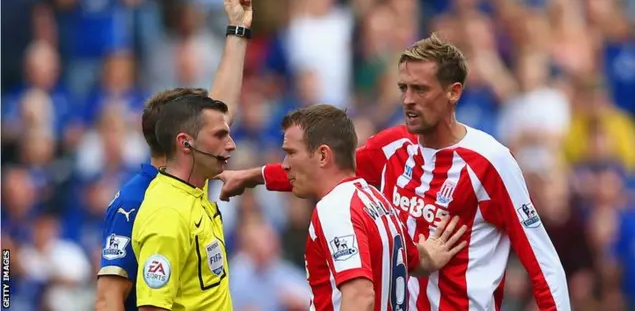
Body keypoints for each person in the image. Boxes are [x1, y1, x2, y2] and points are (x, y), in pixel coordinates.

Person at [217, 34, 571, 310]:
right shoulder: (393, 147)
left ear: (453, 92)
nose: (407, 100)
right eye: (404, 88)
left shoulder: (491, 163)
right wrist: (255, 176)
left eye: (420, 89)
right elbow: (324, 167)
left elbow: (542, 262)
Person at [95, 0, 252, 311]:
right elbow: (109, 297)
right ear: (185, 141)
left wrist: (237, 28)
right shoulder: (136, 201)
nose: (226, 141)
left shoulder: (191, 177)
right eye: (212, 132)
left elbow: (222, 110)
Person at [277, 104, 468, 311]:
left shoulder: (335, 209)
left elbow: (360, 297)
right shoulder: (378, 200)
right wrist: (428, 256)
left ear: (323, 155)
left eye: (291, 153)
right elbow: (416, 261)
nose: (285, 164)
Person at [132, 94, 236, 310]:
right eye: (220, 135)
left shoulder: (194, 186)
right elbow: (153, 307)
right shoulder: (167, 214)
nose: (231, 145)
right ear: (185, 143)